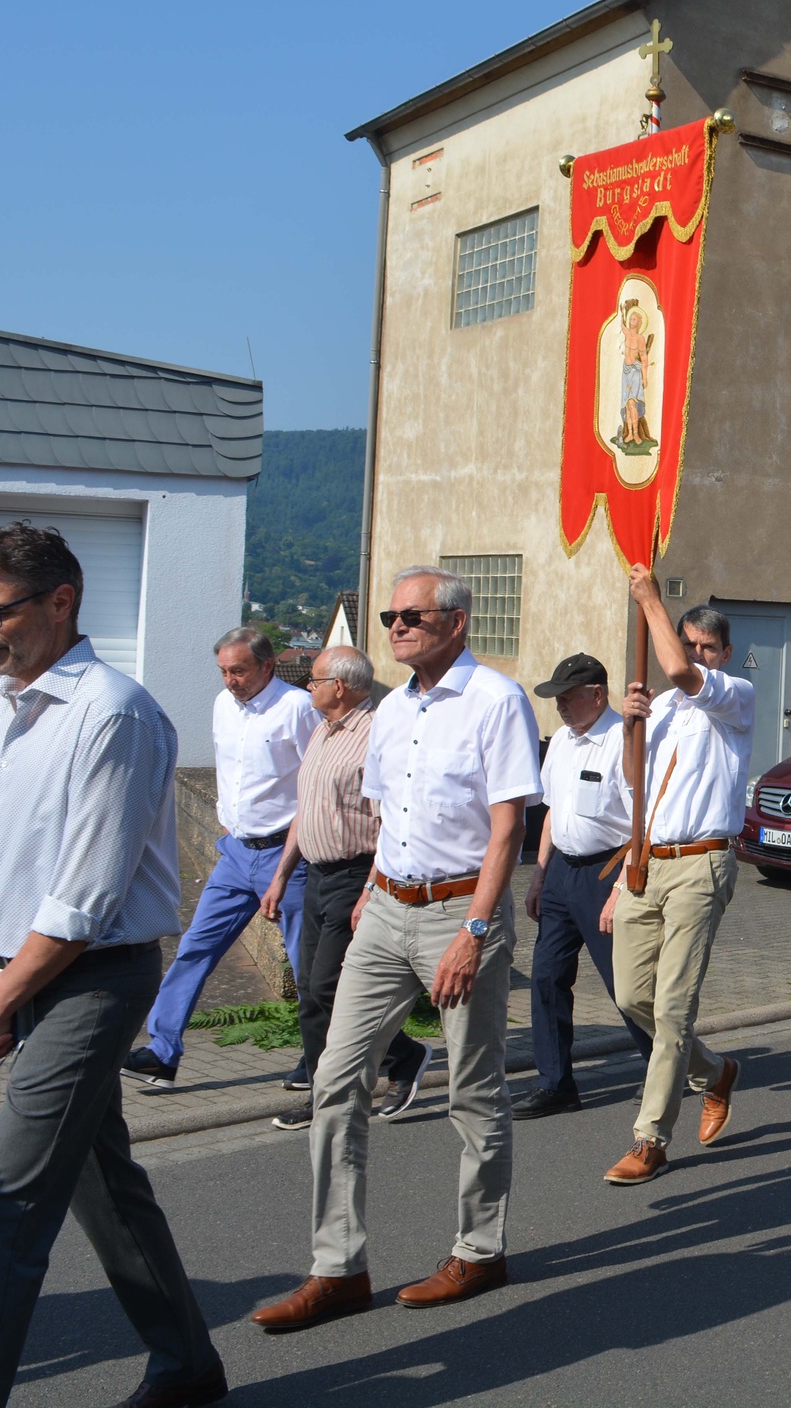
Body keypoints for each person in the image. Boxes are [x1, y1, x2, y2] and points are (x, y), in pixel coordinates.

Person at [0, 523, 227, 1408]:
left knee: (3, 1207)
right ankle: (187, 1365)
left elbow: (83, 901)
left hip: (91, 981)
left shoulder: (114, 713)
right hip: (10, 977)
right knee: (105, 1188)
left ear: (60, 602)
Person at [250, 565, 540, 1332]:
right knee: (335, 1079)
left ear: (456, 622)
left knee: (473, 1090)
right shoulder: (391, 712)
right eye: (390, 617)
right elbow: (387, 816)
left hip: (460, 912)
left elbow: (508, 830)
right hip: (385, 908)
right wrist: (372, 894)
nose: (398, 627)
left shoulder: (496, 700)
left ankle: (480, 1250)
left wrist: (475, 932)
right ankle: (337, 1268)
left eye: (412, 615)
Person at [600, 573, 753, 1186]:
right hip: (647, 859)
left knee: (672, 1007)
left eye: (706, 647)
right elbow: (632, 782)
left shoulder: (734, 695)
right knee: (630, 996)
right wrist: (630, 726)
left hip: (701, 863)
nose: (694, 653)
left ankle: (650, 1139)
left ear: (725, 653)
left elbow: (680, 672)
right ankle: (715, 1072)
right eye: (688, 643)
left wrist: (650, 602)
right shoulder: (661, 706)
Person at [121, 627, 320, 1090]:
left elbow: (317, 787)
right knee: (196, 947)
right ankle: (162, 1053)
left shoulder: (298, 708)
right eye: (224, 671)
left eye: (239, 671)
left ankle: (322, 1057)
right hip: (235, 853)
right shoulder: (222, 705)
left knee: (306, 964)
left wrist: (286, 863)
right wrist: (227, 821)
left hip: (287, 856)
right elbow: (229, 770)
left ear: (267, 666)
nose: (230, 680)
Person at [260, 646, 431, 1133]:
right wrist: (281, 876)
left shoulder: (375, 735)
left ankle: (402, 1057)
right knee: (310, 992)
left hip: (356, 876)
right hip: (315, 876)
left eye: (314, 680)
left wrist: (370, 888)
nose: (307, 687)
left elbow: (390, 819)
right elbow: (307, 810)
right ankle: (324, 1096)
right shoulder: (321, 731)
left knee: (329, 986)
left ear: (339, 686)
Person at [515, 652, 652, 1121]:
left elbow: (642, 822)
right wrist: (539, 874)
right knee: (547, 977)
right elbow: (553, 812)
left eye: (567, 697)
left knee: (625, 982)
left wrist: (621, 888)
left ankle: (667, 1066)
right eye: (556, 699)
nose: (560, 707)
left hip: (607, 872)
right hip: (561, 873)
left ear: (596, 694)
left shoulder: (622, 739)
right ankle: (555, 1083)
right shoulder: (561, 742)